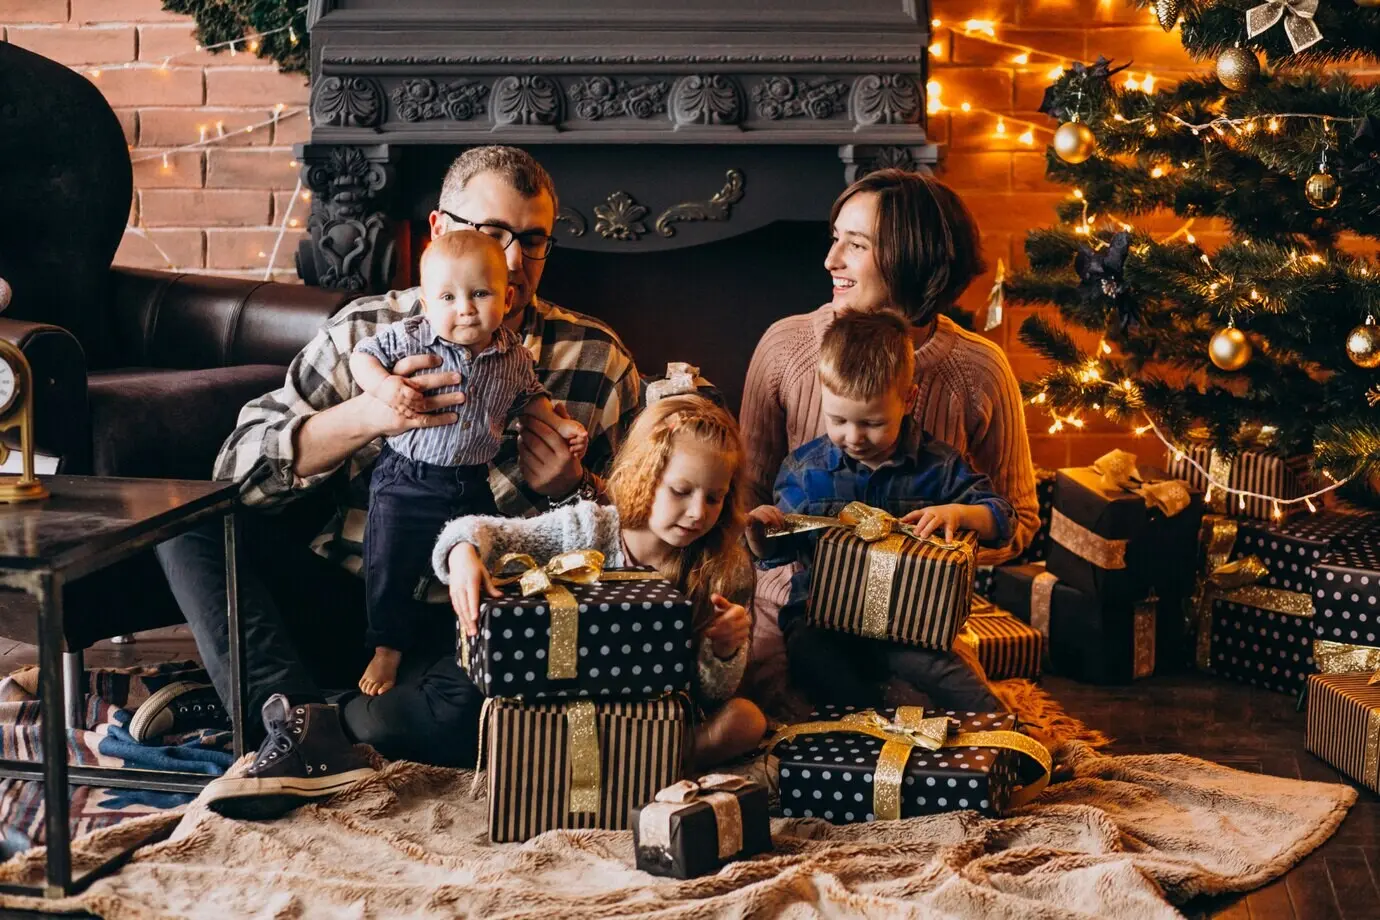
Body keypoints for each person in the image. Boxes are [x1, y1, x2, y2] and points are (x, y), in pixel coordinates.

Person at [145, 146, 642, 820]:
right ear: (439, 230)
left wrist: (568, 488)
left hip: (476, 627)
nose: (516, 260)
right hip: (349, 598)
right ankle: (293, 726)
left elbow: (636, 548)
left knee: (484, 720)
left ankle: (300, 717)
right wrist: (363, 416)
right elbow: (239, 474)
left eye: (533, 240)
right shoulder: (368, 331)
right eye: (493, 234)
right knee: (187, 526)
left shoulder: (598, 362)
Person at [737, 169, 1040, 700]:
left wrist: (930, 558)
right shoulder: (785, 348)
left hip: (920, 613)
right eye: (835, 239)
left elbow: (1020, 519)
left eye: (854, 245)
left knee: (934, 721)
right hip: (800, 604)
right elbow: (748, 499)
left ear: (909, 258)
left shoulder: (978, 370)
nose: (831, 261)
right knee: (788, 711)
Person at [439, 395, 767, 768]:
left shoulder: (724, 568)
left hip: (657, 720)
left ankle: (639, 764)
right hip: (567, 707)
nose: (697, 512)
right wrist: (463, 551)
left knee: (746, 719)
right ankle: (638, 767)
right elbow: (487, 532)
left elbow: (711, 695)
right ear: (647, 474)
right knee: (462, 715)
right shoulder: (588, 528)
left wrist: (724, 651)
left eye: (714, 498)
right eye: (680, 491)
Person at [349, 230, 587, 696]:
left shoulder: (513, 355)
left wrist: (560, 427)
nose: (465, 308)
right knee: (390, 562)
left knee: (485, 559)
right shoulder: (413, 337)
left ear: (507, 295)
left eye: (480, 293)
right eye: (448, 296)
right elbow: (363, 356)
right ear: (425, 301)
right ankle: (387, 646)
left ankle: (475, 638)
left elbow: (530, 400)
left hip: (471, 481)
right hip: (408, 478)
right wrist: (382, 387)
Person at [746, 309, 1013, 712]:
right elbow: (778, 555)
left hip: (910, 627)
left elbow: (1004, 519)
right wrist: (760, 535)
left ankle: (1014, 745)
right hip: (824, 624)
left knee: (952, 677)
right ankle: (866, 734)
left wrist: (958, 514)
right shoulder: (804, 471)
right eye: (838, 419)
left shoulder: (938, 467)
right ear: (822, 394)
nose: (854, 437)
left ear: (909, 400)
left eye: (871, 423)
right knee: (811, 661)